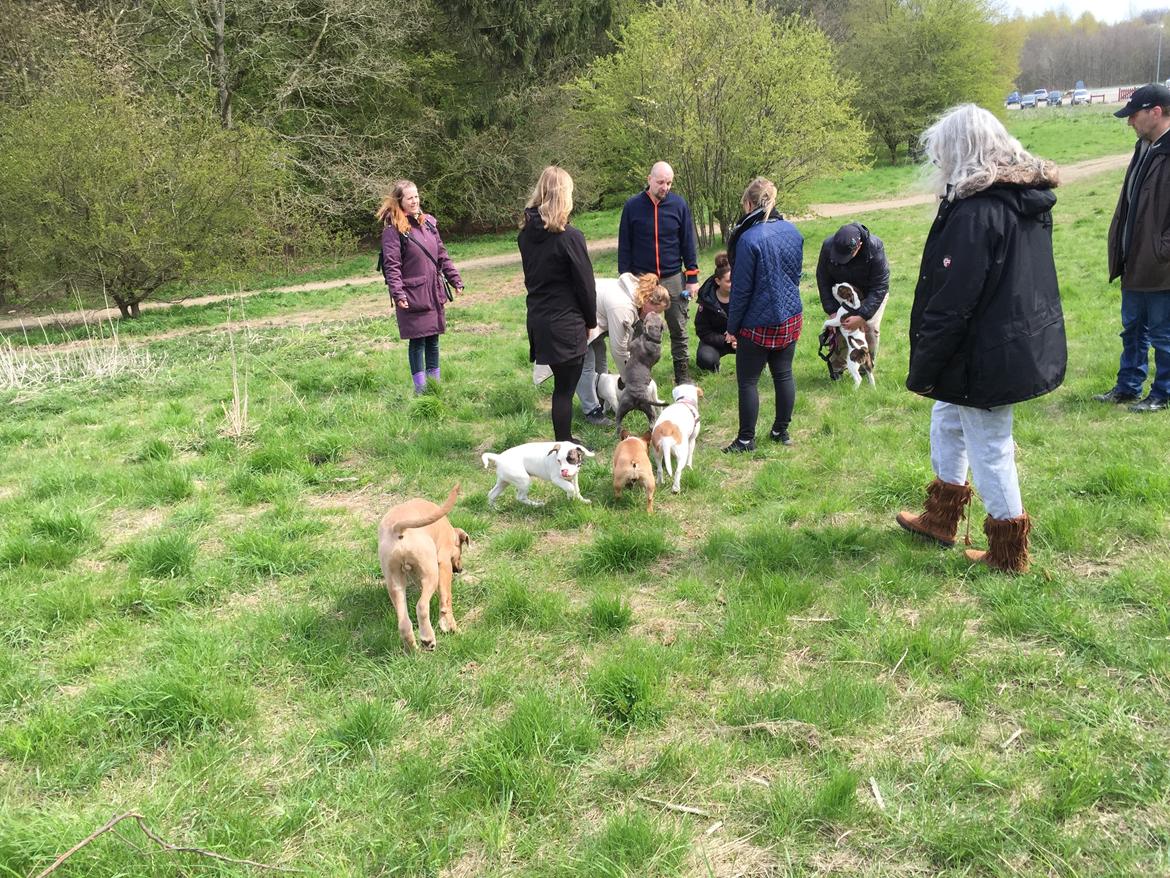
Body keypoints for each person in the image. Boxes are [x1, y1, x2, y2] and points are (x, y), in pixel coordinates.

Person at [896, 104, 1066, 574]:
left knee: (990, 445)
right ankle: (941, 516)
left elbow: (953, 301)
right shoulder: (1014, 199)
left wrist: (924, 367)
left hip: (986, 348)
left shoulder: (979, 211)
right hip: (998, 340)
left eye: (942, 152)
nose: (937, 162)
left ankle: (1008, 552)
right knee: (947, 420)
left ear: (961, 150)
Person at [1097, 83, 1170, 413]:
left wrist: (1162, 249)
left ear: (1156, 112)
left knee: (1163, 334)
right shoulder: (1144, 148)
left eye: (1133, 115)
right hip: (1134, 259)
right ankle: (1128, 386)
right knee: (1133, 330)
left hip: (1161, 265)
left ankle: (1163, 393)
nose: (1129, 121)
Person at [722, 178, 803, 452]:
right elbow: (795, 275)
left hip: (757, 323)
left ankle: (746, 440)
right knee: (783, 374)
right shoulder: (792, 231)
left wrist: (732, 327)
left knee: (748, 381)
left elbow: (741, 290)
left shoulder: (748, 239)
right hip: (790, 316)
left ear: (748, 204)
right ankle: (781, 431)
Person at [518, 166, 597, 443]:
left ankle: (563, 441)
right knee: (564, 389)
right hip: (566, 322)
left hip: (539, 320)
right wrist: (590, 321)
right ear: (564, 196)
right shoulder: (570, 237)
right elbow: (586, 286)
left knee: (561, 389)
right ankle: (564, 446)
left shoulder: (525, 235)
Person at [618, 161, 700, 385]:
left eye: (669, 183)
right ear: (649, 179)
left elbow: (688, 242)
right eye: (661, 182)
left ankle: (682, 376)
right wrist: (625, 279)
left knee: (678, 328)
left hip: (672, 276)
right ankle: (638, 377)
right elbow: (625, 245)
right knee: (638, 329)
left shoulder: (679, 205)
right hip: (642, 279)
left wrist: (692, 277)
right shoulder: (632, 206)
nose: (665, 187)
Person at [378, 180, 464, 394]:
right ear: (400, 201)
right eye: (410, 198)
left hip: (433, 292)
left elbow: (441, 255)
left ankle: (434, 388)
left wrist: (455, 279)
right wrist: (398, 293)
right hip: (412, 295)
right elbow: (392, 265)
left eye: (416, 196)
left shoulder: (429, 224)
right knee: (417, 343)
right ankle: (420, 391)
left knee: (433, 340)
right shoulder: (393, 230)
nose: (415, 201)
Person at [575, 273, 671, 424]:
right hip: (572, 317)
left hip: (590, 318)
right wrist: (629, 379)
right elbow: (619, 349)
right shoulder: (623, 307)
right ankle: (591, 411)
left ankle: (601, 399)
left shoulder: (636, 295)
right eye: (656, 311)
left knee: (600, 352)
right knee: (586, 363)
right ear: (648, 301)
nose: (655, 315)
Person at [815, 222, 891, 379]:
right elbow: (823, 279)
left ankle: (865, 368)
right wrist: (832, 311)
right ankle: (837, 369)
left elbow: (880, 286)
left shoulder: (875, 248)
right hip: (843, 294)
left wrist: (863, 316)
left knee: (870, 328)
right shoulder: (828, 246)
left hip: (870, 294)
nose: (842, 260)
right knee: (840, 327)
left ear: (859, 246)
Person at [694, 252, 734, 372]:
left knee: (760, 348)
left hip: (741, 339)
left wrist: (739, 337)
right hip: (716, 341)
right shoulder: (707, 300)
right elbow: (702, 330)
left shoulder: (744, 295)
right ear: (718, 281)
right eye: (729, 281)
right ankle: (714, 366)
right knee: (705, 359)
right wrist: (725, 339)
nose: (733, 283)